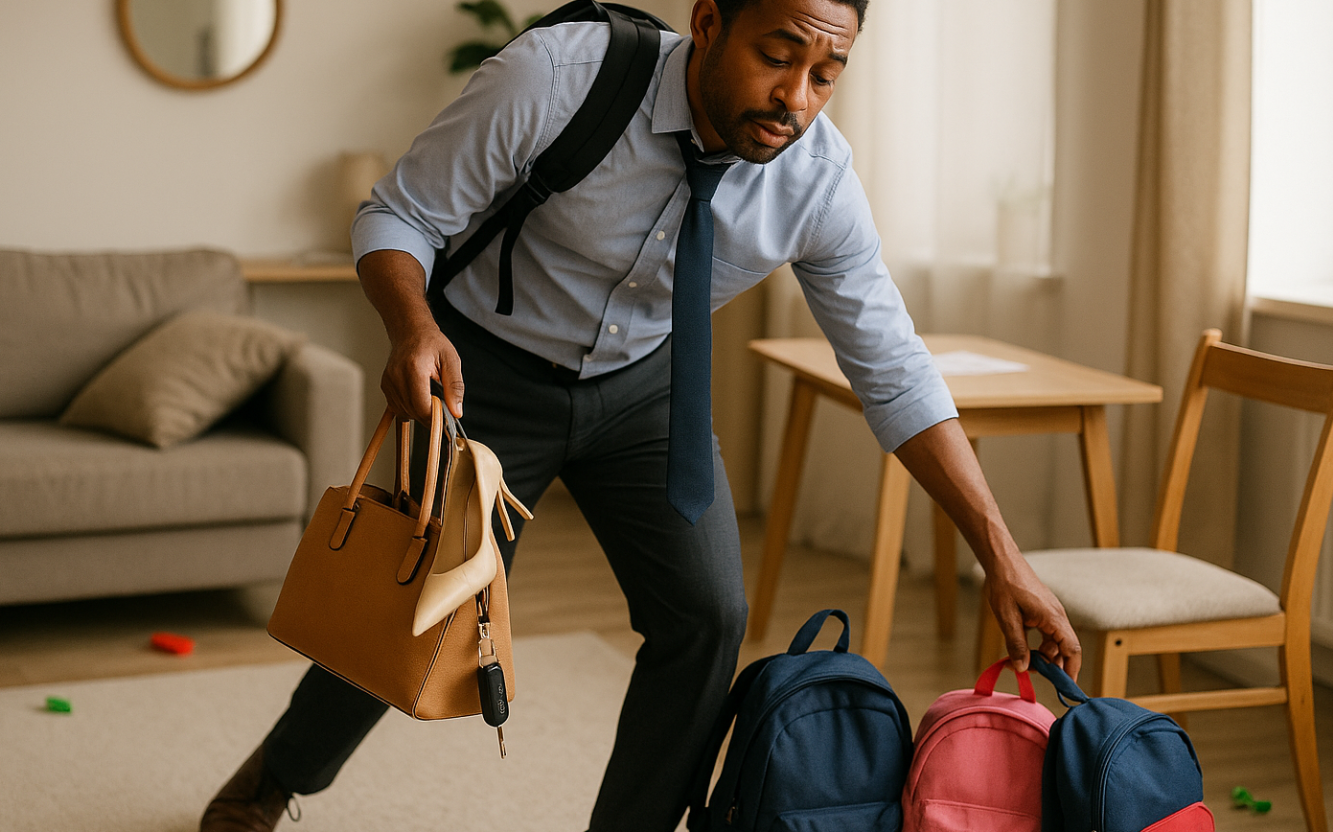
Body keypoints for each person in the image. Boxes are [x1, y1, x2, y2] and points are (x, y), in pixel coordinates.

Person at [200, 0, 1081, 829]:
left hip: (646, 385)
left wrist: (1000, 554)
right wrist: (413, 327)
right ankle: (276, 777)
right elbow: (399, 214)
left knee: (707, 616)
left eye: (825, 73)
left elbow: (893, 369)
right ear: (707, 23)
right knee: (413, 606)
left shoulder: (815, 181)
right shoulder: (557, 76)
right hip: (485, 370)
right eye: (776, 56)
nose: (795, 98)